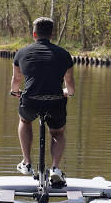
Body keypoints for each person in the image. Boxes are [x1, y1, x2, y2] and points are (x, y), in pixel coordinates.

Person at [10, 17, 75, 186]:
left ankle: (27, 162)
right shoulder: (64, 55)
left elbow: (16, 80)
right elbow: (71, 87)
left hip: (30, 101)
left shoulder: (21, 53)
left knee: (25, 120)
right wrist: (67, 92)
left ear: (34, 34)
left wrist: (15, 92)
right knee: (57, 133)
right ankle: (55, 168)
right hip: (55, 101)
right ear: (51, 34)